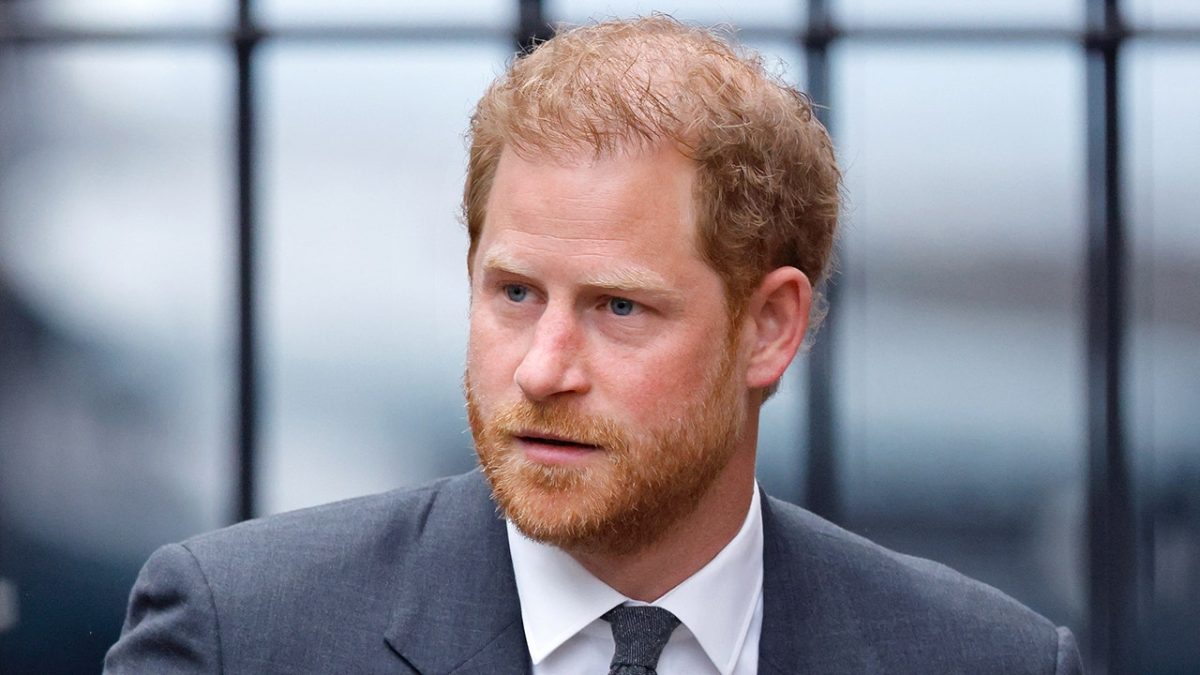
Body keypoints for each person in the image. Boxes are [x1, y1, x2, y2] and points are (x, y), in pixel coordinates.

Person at [105, 16, 1083, 675]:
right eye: (515, 294)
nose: (542, 368)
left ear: (770, 328)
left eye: (619, 307)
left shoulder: (986, 659)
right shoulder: (244, 634)